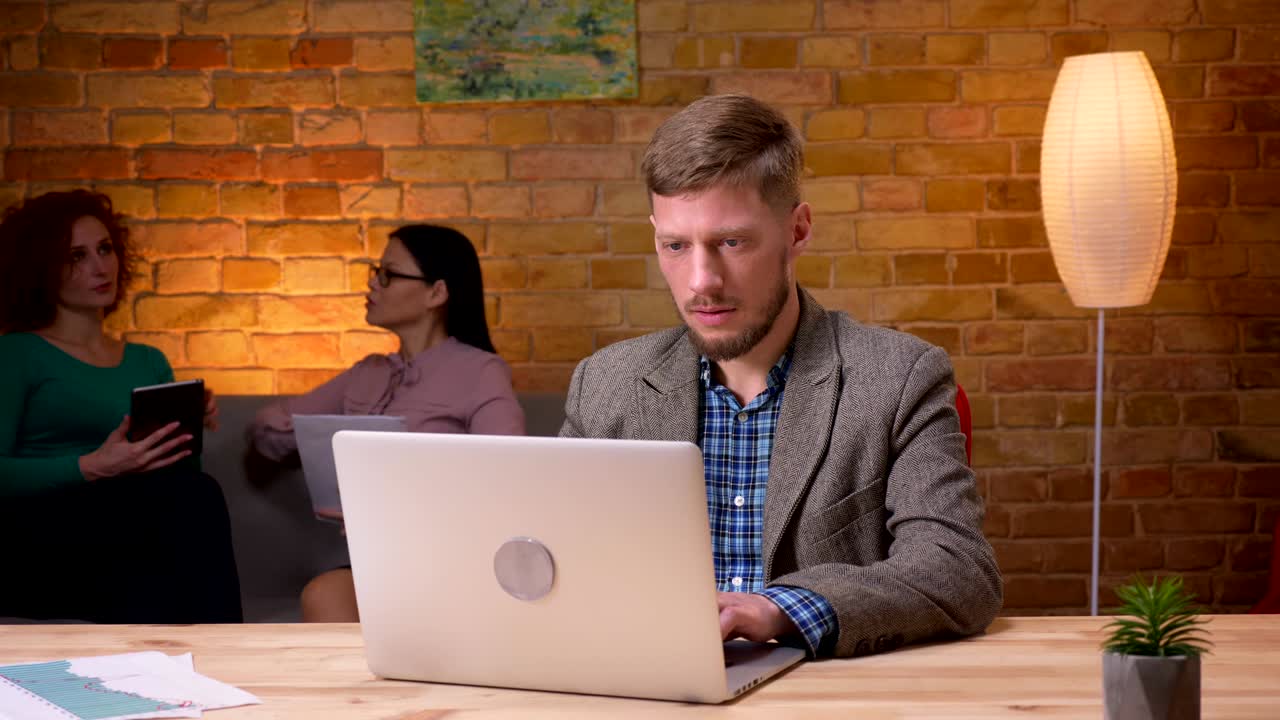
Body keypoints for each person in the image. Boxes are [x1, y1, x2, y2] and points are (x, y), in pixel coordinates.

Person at [559, 94, 1002, 658]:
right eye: (675, 246)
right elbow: (555, 560)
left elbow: (958, 570)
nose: (701, 281)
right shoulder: (605, 386)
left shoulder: (898, 377)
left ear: (797, 230)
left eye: (731, 242)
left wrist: (779, 609)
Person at [249, 223, 525, 622]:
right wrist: (324, 441)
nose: (373, 285)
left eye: (388, 275)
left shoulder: (481, 371)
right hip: (380, 561)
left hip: (454, 558)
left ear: (437, 292)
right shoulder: (368, 373)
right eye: (375, 272)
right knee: (323, 594)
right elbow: (265, 431)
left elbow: (510, 475)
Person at [0, 189, 243, 624]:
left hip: (130, 532)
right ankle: (217, 656)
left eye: (104, 249)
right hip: (36, 534)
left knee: (192, 497)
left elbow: (181, 479)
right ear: (42, 268)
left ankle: (198, 660)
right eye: (76, 256)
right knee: (176, 517)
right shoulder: (16, 355)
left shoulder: (148, 361)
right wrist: (92, 466)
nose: (99, 267)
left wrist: (190, 429)